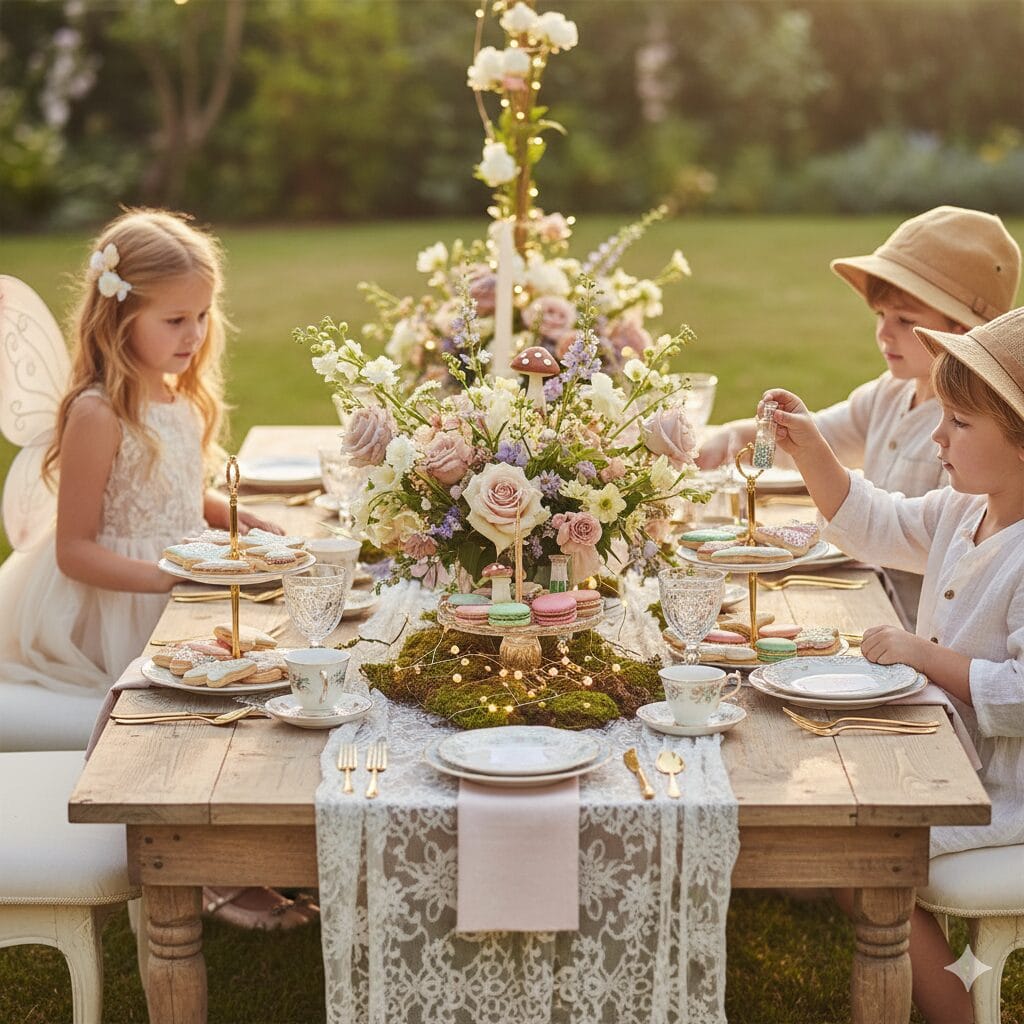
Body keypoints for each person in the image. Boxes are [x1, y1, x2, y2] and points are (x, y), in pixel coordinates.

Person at [0, 208, 313, 929]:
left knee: (252, 682)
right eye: (175, 320)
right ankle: (202, 869)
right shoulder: (96, 412)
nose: (195, 336)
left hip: (176, 576)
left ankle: (247, 844)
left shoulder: (173, 394)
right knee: (197, 710)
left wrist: (237, 518)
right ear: (119, 316)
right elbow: (73, 547)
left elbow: (170, 485)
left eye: (202, 316)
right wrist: (171, 581)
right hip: (116, 602)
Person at [761, 305, 1024, 1024]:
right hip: (947, 759)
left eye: (961, 426)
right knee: (842, 824)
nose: (937, 436)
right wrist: (814, 448)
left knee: (865, 852)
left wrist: (924, 655)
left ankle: (959, 1017)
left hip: (1002, 794)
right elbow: (878, 522)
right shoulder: (964, 512)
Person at [698, 206, 1021, 627]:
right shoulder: (889, 394)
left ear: (960, 331)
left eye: (905, 320)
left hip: (903, 619)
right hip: (869, 596)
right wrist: (741, 432)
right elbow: (822, 440)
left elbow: (908, 535)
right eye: (880, 316)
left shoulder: (979, 450)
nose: (885, 333)